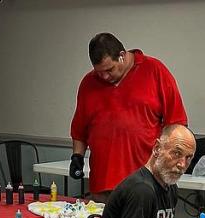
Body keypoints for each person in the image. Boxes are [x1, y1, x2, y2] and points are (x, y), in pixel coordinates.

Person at [70, 32, 188, 196]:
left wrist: (170, 164)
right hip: (102, 184)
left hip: (146, 183)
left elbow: (176, 125)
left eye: (109, 69)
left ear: (122, 55)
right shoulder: (88, 83)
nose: (104, 76)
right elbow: (79, 130)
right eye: (99, 72)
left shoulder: (154, 70)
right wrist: (77, 156)